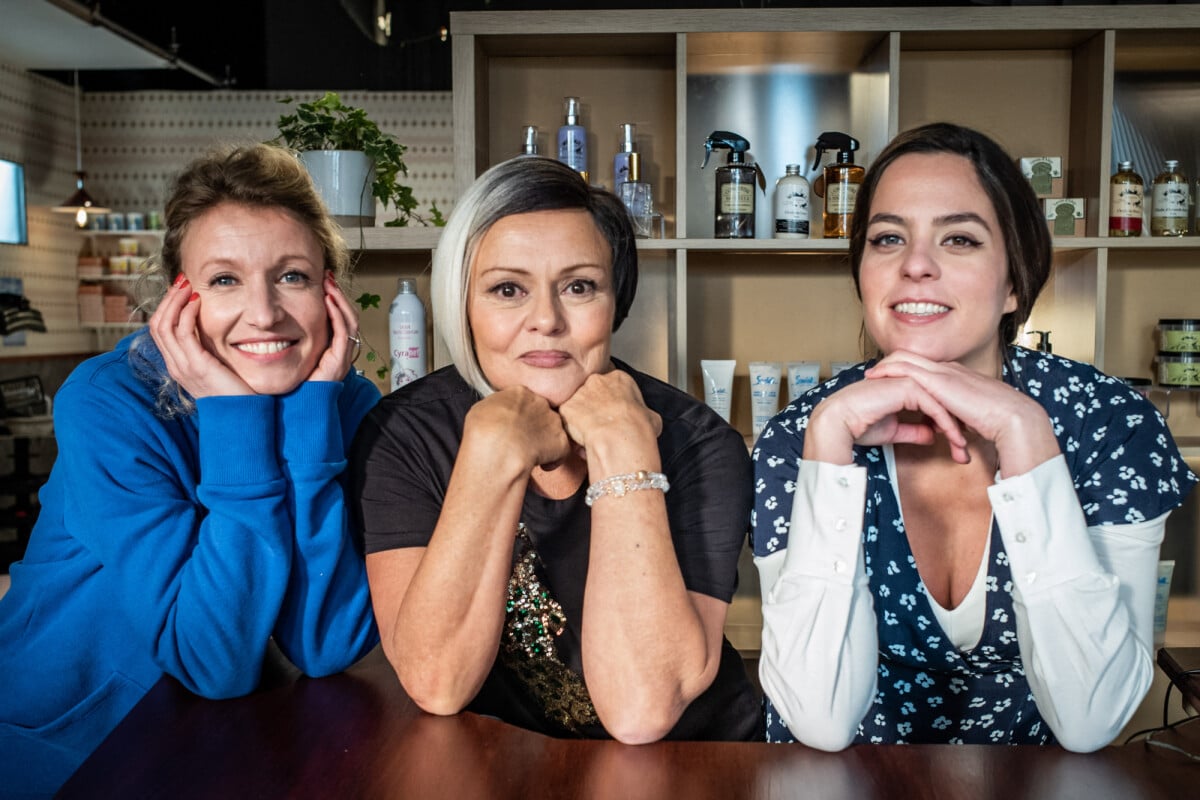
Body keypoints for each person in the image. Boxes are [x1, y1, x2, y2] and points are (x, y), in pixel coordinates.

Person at [751, 122, 1197, 752]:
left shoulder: (1108, 423)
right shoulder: (800, 435)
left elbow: (1092, 719)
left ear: (1015, 281)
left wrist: (1028, 439)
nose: (915, 266)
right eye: (887, 239)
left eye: (959, 238)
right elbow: (819, 722)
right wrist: (827, 451)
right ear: (863, 276)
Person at [0, 143, 379, 796]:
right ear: (182, 297)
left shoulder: (343, 402)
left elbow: (327, 644)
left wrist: (312, 417)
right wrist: (234, 417)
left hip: (221, 742)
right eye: (225, 280)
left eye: (291, 275)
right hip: (72, 749)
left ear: (328, 289)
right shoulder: (108, 401)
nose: (264, 313)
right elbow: (213, 660)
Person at [350, 156, 761, 743]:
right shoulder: (405, 434)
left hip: (696, 763)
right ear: (461, 303)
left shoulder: (699, 442)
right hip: (511, 765)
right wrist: (491, 452)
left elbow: (645, 710)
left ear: (615, 302)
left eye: (578, 286)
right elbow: (437, 681)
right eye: (508, 289)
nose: (546, 320)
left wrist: (626, 449)